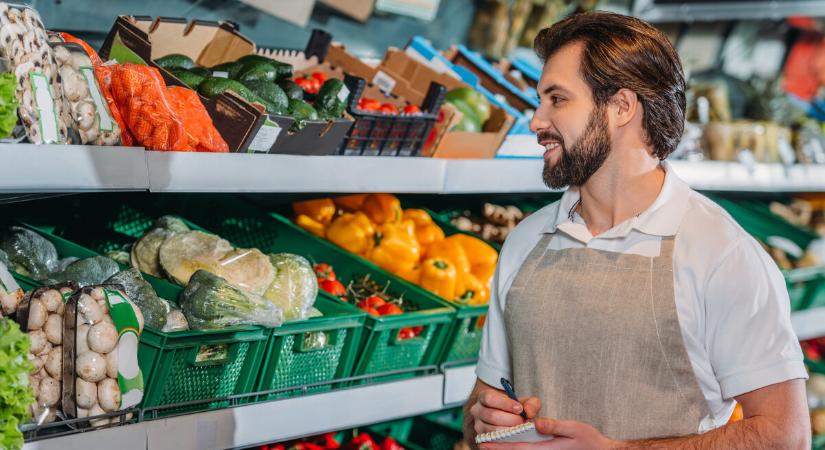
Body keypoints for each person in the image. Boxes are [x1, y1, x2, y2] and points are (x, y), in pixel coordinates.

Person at [464, 11, 811, 450]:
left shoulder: (720, 255)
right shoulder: (526, 241)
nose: (536, 120)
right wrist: (483, 414)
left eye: (557, 99)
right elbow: (482, 401)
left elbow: (784, 436)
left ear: (621, 107)